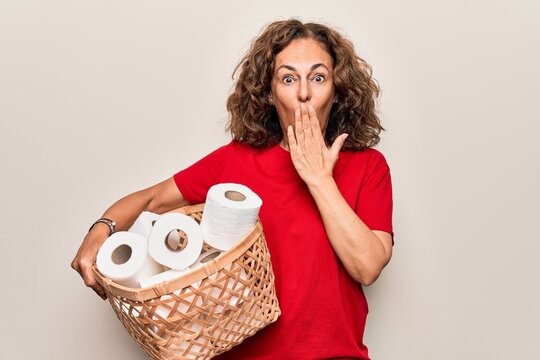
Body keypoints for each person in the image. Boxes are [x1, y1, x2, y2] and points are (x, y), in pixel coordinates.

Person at [71, 19, 394, 360]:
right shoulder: (236, 162)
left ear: (337, 90)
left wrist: (318, 178)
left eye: (318, 77)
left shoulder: (368, 167)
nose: (303, 92)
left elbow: (368, 266)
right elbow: (150, 199)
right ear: (269, 93)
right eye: (288, 78)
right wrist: (101, 229)